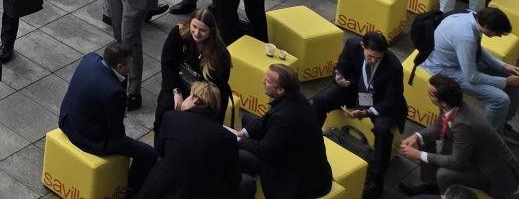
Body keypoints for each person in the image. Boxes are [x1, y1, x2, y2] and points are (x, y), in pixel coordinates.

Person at [307, 31, 403, 194]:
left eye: (378, 58)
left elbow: (392, 99)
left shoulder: (394, 66)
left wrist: (367, 113)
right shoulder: (352, 44)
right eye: (370, 56)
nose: (373, 61)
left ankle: (377, 180)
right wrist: (339, 78)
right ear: (362, 46)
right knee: (320, 100)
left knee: (383, 130)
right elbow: (341, 65)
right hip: (353, 90)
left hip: (379, 101)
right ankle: (308, 145)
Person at [401, 74, 519, 199]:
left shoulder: (464, 124)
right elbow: (438, 127)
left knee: (443, 174)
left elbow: (457, 162)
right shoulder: (451, 106)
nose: (428, 96)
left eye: (431, 95)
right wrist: (416, 136)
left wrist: (419, 155)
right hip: (473, 155)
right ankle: (432, 187)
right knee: (426, 140)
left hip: (493, 174)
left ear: (443, 102)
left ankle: (443, 196)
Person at [59, 43, 156, 191]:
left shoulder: (89, 59)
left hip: (67, 120)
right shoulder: (114, 92)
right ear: (119, 66)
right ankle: (130, 189)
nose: (132, 65)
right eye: (130, 63)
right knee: (148, 153)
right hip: (88, 139)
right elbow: (116, 131)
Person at [420, 5, 519, 130]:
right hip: (442, 69)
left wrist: (503, 66)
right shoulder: (466, 36)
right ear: (486, 27)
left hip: (457, 60)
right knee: (500, 99)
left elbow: (477, 49)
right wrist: (505, 81)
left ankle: (500, 122)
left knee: (517, 80)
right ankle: (486, 138)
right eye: (497, 33)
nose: (499, 36)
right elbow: (472, 77)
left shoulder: (472, 16)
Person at [235, 63, 329, 199]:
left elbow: (265, 150)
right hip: (295, 155)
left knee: (237, 152)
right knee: (247, 120)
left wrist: (238, 140)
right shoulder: (296, 98)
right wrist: (244, 132)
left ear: (280, 90)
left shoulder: (283, 118)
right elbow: (266, 120)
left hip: (296, 179)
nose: (263, 81)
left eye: (267, 81)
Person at [139, 83, 239, 199]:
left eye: (189, 95)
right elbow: (234, 178)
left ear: (195, 99)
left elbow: (160, 151)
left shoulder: (171, 118)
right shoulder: (228, 138)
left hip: (161, 191)